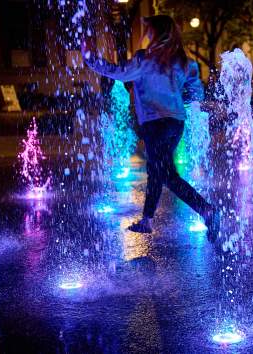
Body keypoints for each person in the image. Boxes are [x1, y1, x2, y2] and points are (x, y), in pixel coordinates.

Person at [82, 15, 218, 241]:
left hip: (155, 125)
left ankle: (207, 210)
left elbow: (116, 72)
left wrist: (90, 57)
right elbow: (195, 93)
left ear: (155, 33)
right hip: (176, 123)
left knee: (166, 175)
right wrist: (173, 96)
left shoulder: (144, 60)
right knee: (156, 170)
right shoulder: (183, 62)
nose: (146, 34)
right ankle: (146, 220)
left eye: (149, 30)